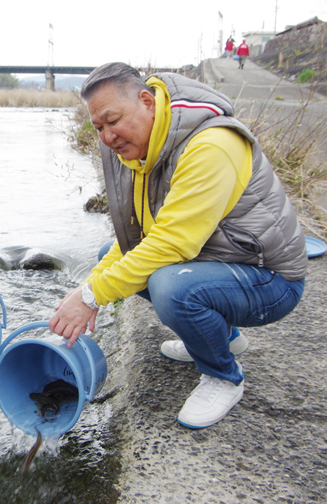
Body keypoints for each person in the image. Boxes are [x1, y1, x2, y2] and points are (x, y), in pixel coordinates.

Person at [49, 63, 306, 430]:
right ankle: (223, 337)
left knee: (172, 288)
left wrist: (91, 298)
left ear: (146, 101)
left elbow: (171, 244)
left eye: (113, 120)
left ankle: (223, 377)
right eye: (98, 127)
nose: (107, 136)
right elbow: (139, 239)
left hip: (270, 278)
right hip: (222, 260)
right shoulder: (145, 151)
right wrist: (86, 286)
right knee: (113, 251)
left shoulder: (211, 145)